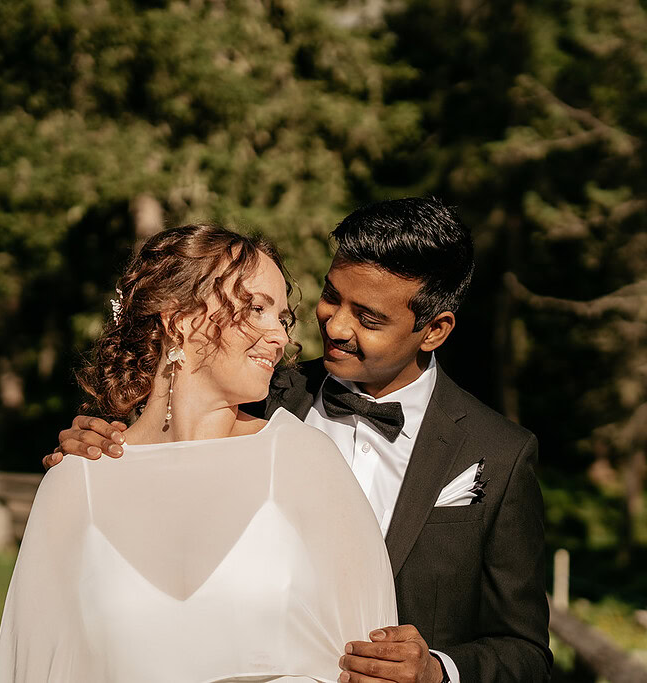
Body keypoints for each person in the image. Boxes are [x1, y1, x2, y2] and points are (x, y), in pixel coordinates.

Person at [51, 198, 552, 682]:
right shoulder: (258, 395)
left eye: (369, 318)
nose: (335, 324)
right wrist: (100, 452)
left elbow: (525, 651)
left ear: (434, 331)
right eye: (332, 296)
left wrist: (439, 671)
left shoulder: (499, 454)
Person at [0, 224, 397, 683]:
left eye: (281, 317)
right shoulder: (78, 479)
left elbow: (372, 658)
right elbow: (30, 666)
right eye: (257, 309)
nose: (281, 337)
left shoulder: (305, 461)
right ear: (179, 320)